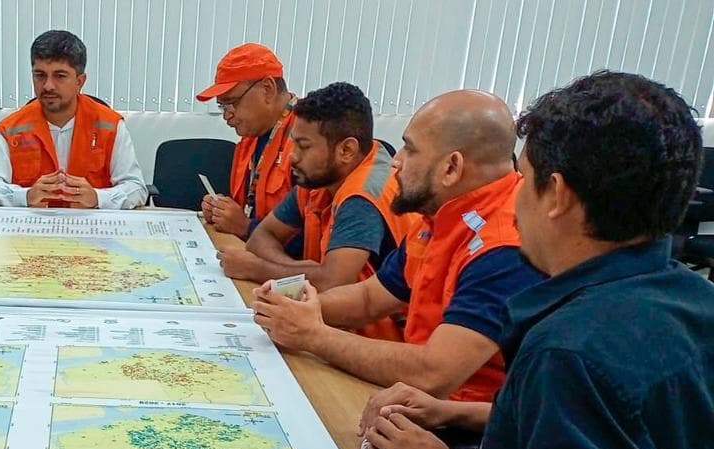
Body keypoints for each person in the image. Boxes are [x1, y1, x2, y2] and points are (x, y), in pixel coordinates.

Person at [361, 71, 713, 449]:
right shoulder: (690, 298)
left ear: (558, 196)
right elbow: (638, 440)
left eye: (522, 180)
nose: (513, 199)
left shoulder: (572, 348)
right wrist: (458, 413)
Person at [252, 90, 544, 402]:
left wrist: (314, 335)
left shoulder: (505, 246)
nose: (396, 161)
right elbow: (369, 298)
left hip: (455, 418)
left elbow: (434, 373)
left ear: (451, 168)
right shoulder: (442, 212)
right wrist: (295, 308)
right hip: (410, 398)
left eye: (410, 149)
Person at [220, 83, 409, 342]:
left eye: (304, 146)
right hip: (329, 323)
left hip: (377, 340)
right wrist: (303, 270)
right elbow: (261, 237)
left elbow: (333, 282)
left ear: (346, 150)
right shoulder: (319, 178)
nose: (292, 157)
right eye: (293, 144)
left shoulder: (363, 196)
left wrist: (259, 268)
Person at [0, 30, 148, 209]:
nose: (48, 86)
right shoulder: (13, 127)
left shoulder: (110, 126)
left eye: (60, 76)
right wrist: (25, 196)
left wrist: (98, 198)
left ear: (80, 81)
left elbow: (136, 187)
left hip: (91, 222)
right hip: (33, 223)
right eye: (40, 75)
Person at [195, 44, 297, 238]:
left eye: (232, 103)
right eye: (222, 106)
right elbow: (249, 205)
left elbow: (313, 240)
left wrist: (246, 228)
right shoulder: (250, 138)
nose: (227, 116)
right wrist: (222, 211)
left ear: (267, 89)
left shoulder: (309, 141)